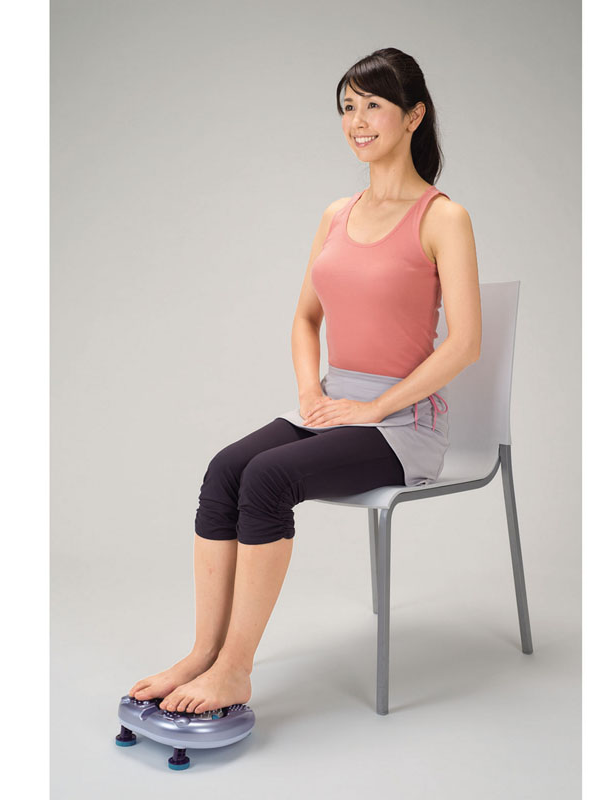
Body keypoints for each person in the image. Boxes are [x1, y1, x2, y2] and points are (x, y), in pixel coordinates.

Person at [129, 47, 482, 715]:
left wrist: (375, 407)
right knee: (226, 470)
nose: (357, 121)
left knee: (268, 479)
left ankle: (235, 670)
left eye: (373, 105)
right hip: (336, 405)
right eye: (347, 107)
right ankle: (204, 652)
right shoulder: (336, 214)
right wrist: (311, 394)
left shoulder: (444, 218)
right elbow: (305, 317)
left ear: (414, 116)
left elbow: (465, 343)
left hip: (405, 424)